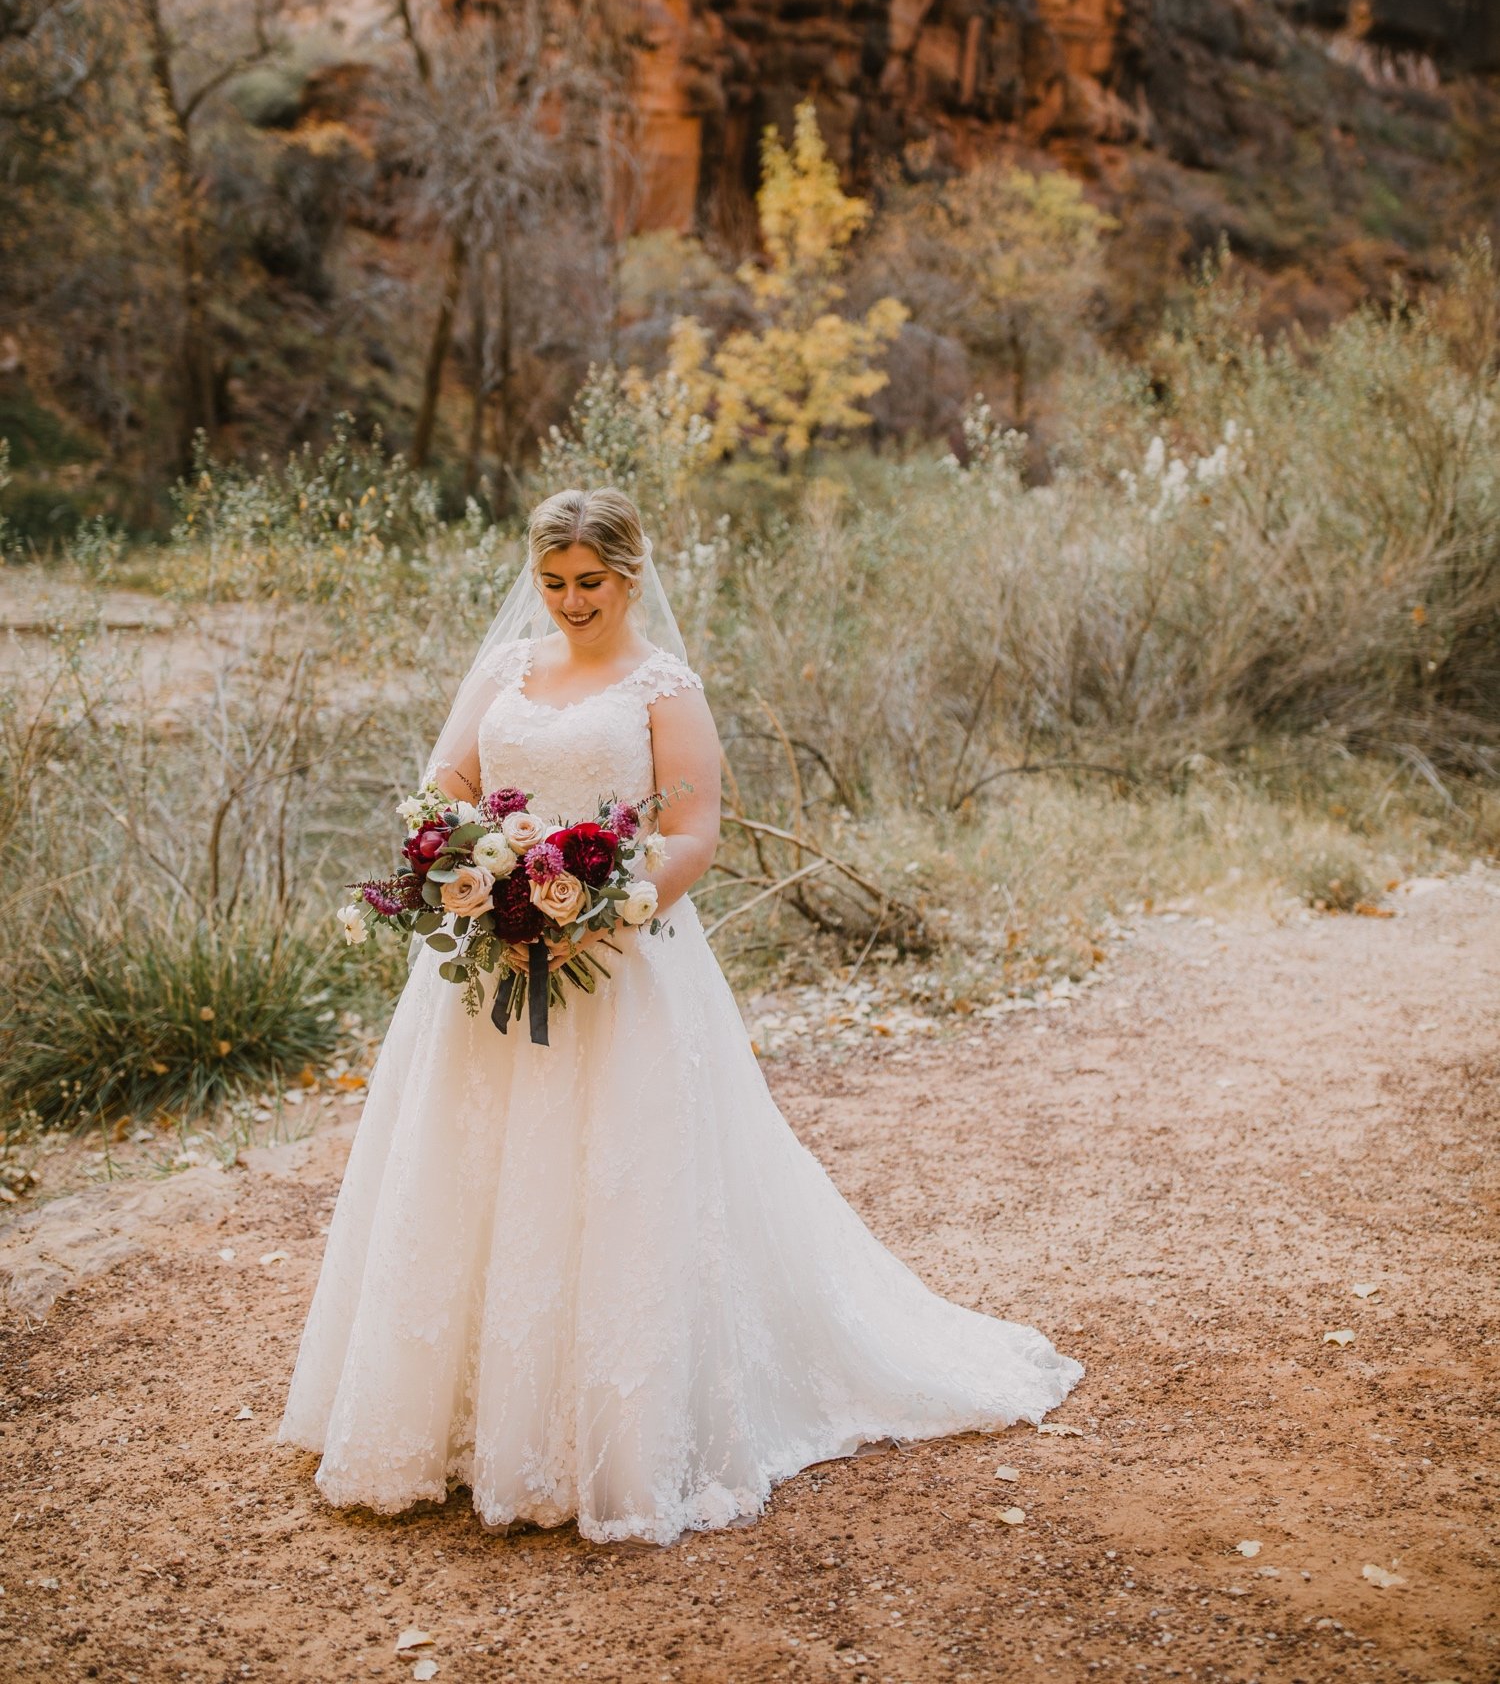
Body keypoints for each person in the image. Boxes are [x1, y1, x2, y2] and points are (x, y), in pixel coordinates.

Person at [279, 486, 1082, 1543]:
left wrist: (608, 906)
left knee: (618, 1182)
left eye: (590, 584)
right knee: (471, 1172)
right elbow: (446, 784)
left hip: (619, 965)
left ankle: (611, 1431)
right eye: (554, 583)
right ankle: (459, 1422)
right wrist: (474, 863)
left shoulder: (664, 685)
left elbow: (694, 830)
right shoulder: (504, 671)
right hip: (484, 965)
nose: (570, 601)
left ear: (629, 573)